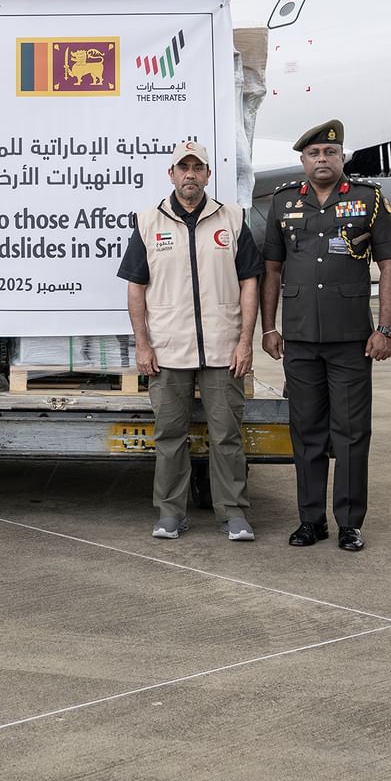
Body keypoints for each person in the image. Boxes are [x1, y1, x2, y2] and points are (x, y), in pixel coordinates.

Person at [259, 120, 391, 552]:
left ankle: (350, 523)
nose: (322, 159)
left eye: (330, 153)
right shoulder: (283, 201)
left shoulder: (368, 199)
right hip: (300, 338)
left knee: (352, 433)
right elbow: (272, 270)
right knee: (307, 432)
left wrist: (386, 328)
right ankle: (311, 520)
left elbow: (389, 264)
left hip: (351, 339)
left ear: (342, 157)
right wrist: (269, 326)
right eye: (314, 154)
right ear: (303, 161)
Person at [119, 140, 262, 542]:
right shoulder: (148, 222)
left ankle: (233, 513)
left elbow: (250, 282)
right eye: (183, 168)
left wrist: (245, 342)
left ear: (208, 174)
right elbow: (135, 287)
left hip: (223, 349)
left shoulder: (232, 219)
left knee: (227, 436)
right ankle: (170, 513)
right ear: (171, 174)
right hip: (167, 351)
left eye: (197, 167)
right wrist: (143, 345)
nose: (190, 175)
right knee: (169, 437)